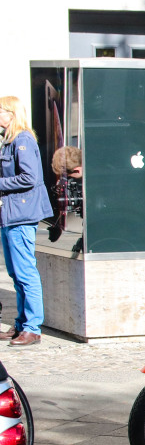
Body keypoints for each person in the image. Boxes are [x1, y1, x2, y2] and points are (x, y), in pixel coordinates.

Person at [0, 96, 54, 346]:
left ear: (11, 114)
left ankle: (32, 328)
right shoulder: (10, 140)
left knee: (25, 272)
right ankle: (21, 324)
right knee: (15, 272)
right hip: (10, 215)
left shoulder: (22, 140)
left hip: (21, 216)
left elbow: (30, 177)